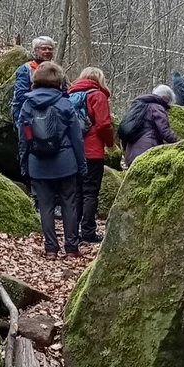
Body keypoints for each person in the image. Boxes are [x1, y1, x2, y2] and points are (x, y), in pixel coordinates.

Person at [16, 61, 87, 258]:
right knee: (69, 204)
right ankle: (71, 248)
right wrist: (82, 165)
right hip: (66, 163)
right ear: (59, 82)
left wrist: (24, 164)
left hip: (38, 163)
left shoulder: (27, 105)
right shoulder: (65, 103)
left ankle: (51, 249)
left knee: (45, 206)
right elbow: (76, 138)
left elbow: (23, 138)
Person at [68, 67, 115, 244]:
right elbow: (104, 125)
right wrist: (110, 144)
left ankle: (72, 232)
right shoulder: (98, 95)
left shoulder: (70, 94)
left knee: (76, 192)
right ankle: (88, 231)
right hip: (92, 151)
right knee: (90, 192)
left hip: (72, 150)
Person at [122, 85, 181, 167]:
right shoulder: (157, 107)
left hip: (130, 155)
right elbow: (165, 131)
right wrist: (181, 143)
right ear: (165, 98)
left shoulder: (138, 106)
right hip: (147, 151)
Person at [11, 37, 67, 122]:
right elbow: (20, 95)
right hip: (29, 116)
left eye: (50, 49)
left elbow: (64, 93)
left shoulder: (57, 70)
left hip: (55, 117)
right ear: (35, 50)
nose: (47, 51)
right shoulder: (26, 69)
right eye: (43, 49)